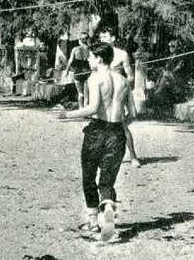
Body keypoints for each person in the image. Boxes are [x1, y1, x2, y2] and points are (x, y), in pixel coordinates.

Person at [56, 42, 131, 242]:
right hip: (117, 133)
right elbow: (133, 113)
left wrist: (67, 114)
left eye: (90, 57)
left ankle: (92, 222)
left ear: (99, 59)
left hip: (97, 132)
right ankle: (107, 208)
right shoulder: (123, 80)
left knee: (88, 176)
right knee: (107, 180)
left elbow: (92, 108)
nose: (88, 60)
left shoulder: (95, 78)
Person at [98, 28, 142, 169]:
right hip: (103, 91)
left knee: (122, 124)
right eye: (101, 37)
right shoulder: (97, 55)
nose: (102, 39)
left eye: (105, 37)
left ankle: (133, 156)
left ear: (113, 38)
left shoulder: (122, 54)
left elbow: (130, 76)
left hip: (117, 92)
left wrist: (122, 86)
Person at [64, 33, 92, 108]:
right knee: (87, 94)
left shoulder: (75, 49)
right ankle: (85, 111)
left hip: (78, 72)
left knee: (80, 94)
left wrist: (66, 71)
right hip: (87, 72)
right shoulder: (90, 49)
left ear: (80, 40)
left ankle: (80, 109)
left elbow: (70, 61)